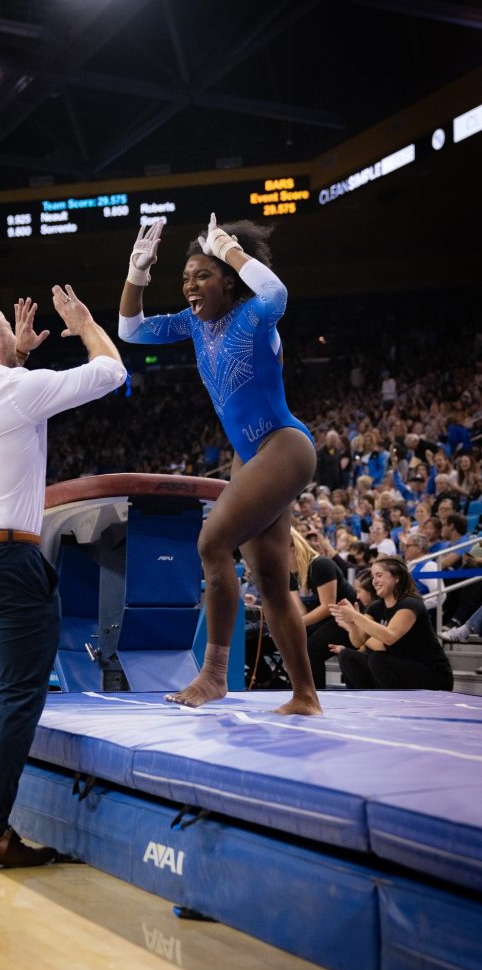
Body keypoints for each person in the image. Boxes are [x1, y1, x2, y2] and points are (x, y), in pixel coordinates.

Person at [0, 285, 126, 868]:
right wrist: (85, 323)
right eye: (5, 333)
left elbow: (3, 403)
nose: (15, 337)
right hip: (9, 562)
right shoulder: (14, 389)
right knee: (18, 696)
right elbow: (110, 372)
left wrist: (18, 357)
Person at [118, 214, 321, 715]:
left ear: (228, 281)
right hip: (250, 457)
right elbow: (131, 331)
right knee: (271, 579)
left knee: (212, 541)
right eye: (185, 277)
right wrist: (136, 274)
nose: (190, 284)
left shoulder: (253, 313)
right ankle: (305, 696)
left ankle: (212, 675)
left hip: (284, 444)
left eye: (202, 275)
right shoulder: (191, 323)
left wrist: (227, 248)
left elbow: (277, 294)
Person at [328, 557, 453, 690]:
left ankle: (390, 704)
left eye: (379, 575)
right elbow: (358, 642)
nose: (374, 581)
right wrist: (352, 624)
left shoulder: (410, 604)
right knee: (347, 656)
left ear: (397, 577)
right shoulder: (375, 607)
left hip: (431, 674)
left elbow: (389, 637)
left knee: (377, 659)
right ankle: (364, 702)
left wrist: (356, 616)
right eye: (373, 576)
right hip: (400, 668)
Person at [289, 528, 357, 689]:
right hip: (324, 620)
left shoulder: (320, 564)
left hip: (346, 618)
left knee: (310, 648)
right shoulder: (290, 573)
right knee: (291, 642)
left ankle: (315, 694)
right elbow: (301, 612)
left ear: (293, 549)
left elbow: (328, 606)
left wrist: (295, 624)